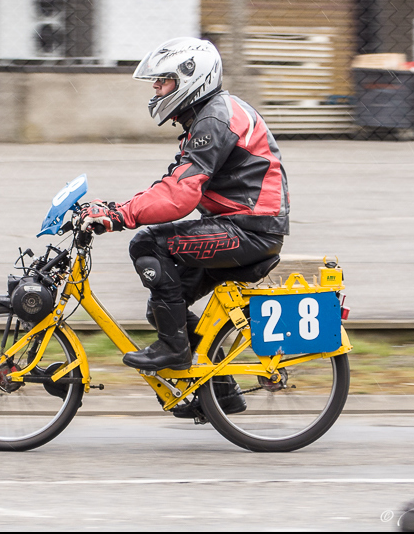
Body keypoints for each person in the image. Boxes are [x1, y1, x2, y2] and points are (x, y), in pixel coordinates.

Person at [80, 37, 290, 419]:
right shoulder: (209, 115)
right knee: (163, 310)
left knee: (147, 245)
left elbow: (179, 195)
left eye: (162, 82)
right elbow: (175, 181)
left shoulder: (214, 119)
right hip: (240, 225)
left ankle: (175, 352)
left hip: (250, 230)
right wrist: (115, 208)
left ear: (190, 79)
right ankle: (221, 394)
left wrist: (120, 216)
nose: (156, 90)